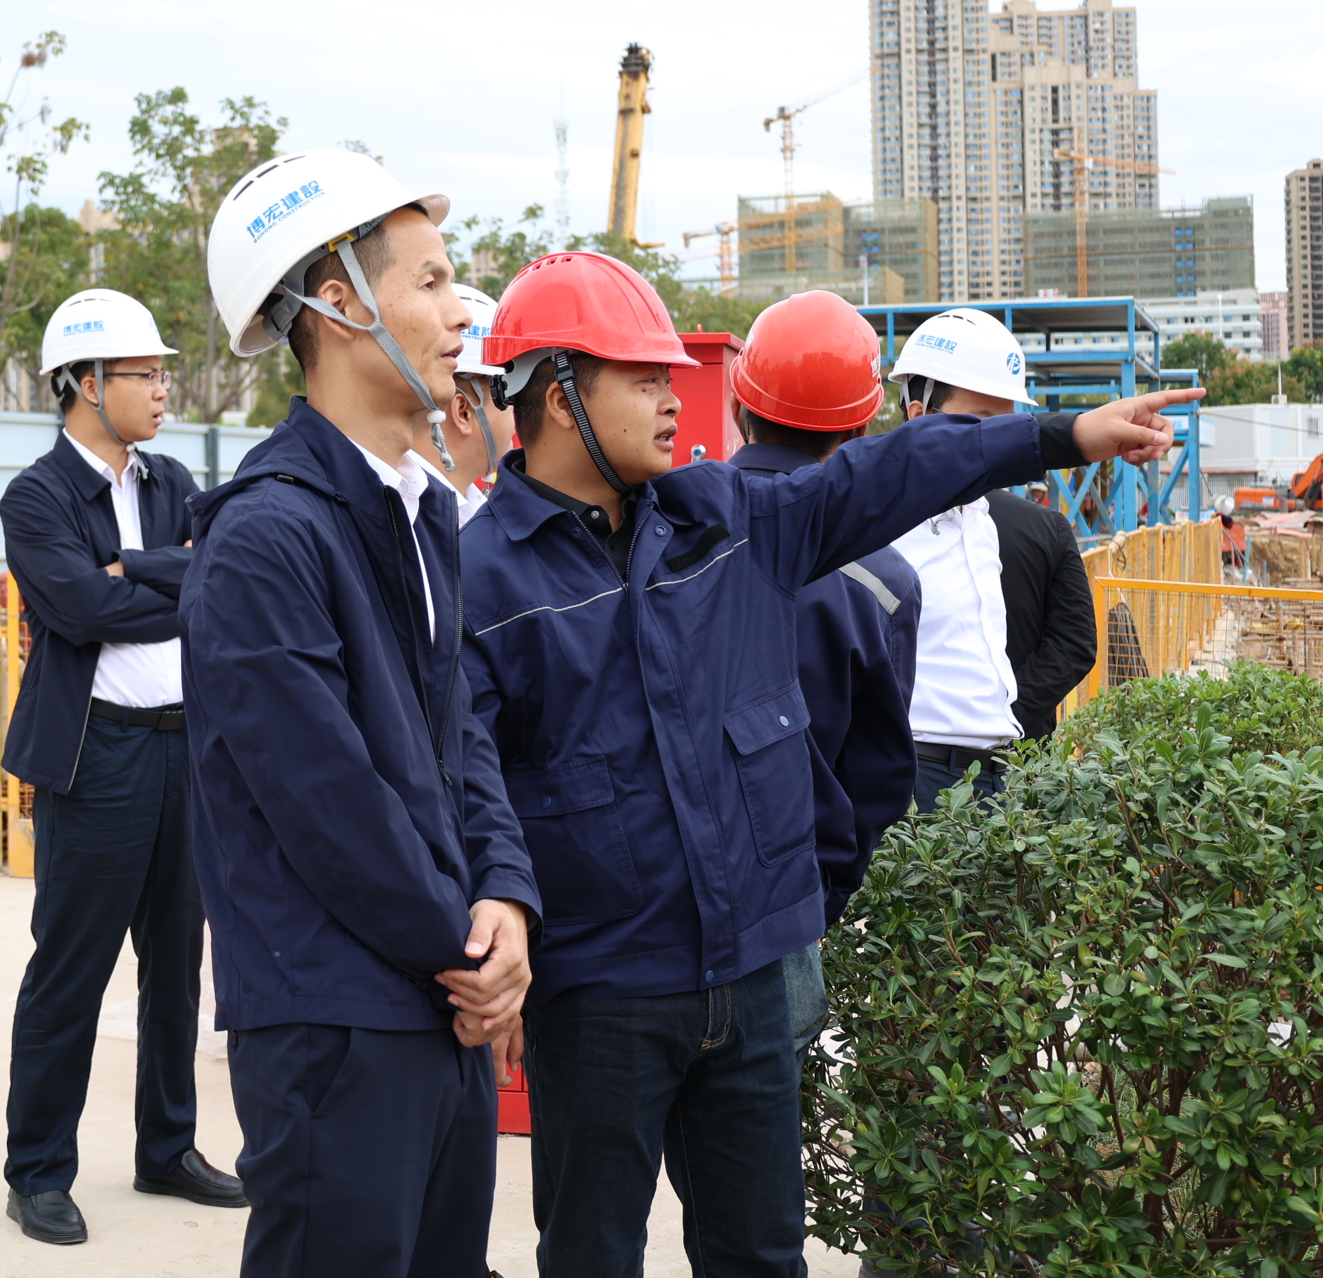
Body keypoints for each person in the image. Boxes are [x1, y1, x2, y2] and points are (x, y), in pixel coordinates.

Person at [456, 254, 1195, 1277]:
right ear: (557, 393)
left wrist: (1060, 436)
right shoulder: (478, 578)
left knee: (763, 1254)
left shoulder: (725, 519)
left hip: (753, 976)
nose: (673, 398)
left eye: (674, 376)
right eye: (644, 378)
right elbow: (469, 774)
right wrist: (502, 904)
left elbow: (887, 469)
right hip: (602, 992)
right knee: (592, 1255)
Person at [183, 148, 541, 1278]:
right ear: (339, 305)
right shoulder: (265, 537)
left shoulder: (420, 508)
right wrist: (468, 956)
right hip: (335, 1018)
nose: (459, 311)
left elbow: (458, 735)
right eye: (429, 281)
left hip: (435, 993)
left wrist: (505, 901)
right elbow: (327, 800)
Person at [0, 289, 244, 1245]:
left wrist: (130, 569)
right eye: (146, 373)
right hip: (96, 753)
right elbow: (78, 612)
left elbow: (218, 581)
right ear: (88, 383)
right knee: (72, 967)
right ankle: (37, 1171)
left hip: (185, 745)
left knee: (176, 967)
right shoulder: (36, 496)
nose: (163, 388)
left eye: (161, 372)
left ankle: (166, 1149)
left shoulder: (173, 478)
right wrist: (164, 576)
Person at [725, 293, 922, 935]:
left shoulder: (659, 532)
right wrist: (824, 897)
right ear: (861, 431)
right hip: (793, 899)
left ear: (737, 405)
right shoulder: (883, 582)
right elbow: (878, 777)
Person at [888, 308, 1099, 809]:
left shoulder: (978, 516)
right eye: (982, 423)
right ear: (920, 416)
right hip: (921, 777)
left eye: (1007, 426)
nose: (999, 446)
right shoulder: (882, 524)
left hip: (1001, 772)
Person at [441, 281, 515, 526]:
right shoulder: (413, 517)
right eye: (507, 396)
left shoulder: (468, 512)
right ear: (463, 412)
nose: (515, 415)